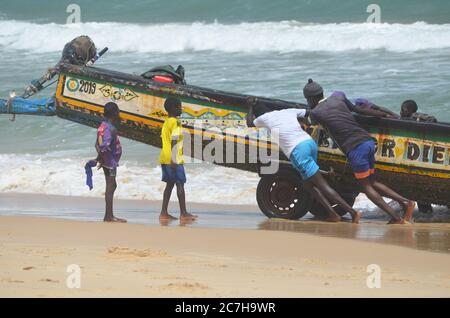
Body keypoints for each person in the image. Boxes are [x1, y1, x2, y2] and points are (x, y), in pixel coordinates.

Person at [304, 79, 415, 224]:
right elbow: (359, 110)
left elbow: (310, 121)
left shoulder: (316, 112)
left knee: (366, 188)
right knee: (372, 182)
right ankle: (406, 203)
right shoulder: (338, 96)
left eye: (307, 100)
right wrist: (383, 114)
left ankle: (397, 217)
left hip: (355, 149)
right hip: (367, 142)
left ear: (311, 98)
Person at [246, 96, 361, 223]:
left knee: (321, 185)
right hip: (309, 143)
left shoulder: (264, 118)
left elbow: (249, 123)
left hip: (298, 151)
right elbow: (308, 112)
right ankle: (333, 214)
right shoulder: (287, 111)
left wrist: (250, 106)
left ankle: (353, 212)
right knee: (308, 184)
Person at [159, 97, 197, 221]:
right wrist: (174, 158)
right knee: (180, 184)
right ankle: (183, 213)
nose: (181, 109)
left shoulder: (166, 122)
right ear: (173, 109)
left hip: (165, 157)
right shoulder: (175, 122)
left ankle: (164, 213)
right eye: (179, 106)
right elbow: (174, 140)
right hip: (174, 158)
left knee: (169, 185)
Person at [96, 102, 126, 223]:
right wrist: (101, 157)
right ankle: (108, 216)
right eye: (118, 111)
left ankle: (109, 215)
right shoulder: (111, 129)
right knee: (111, 186)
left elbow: (96, 144)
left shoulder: (102, 126)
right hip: (110, 161)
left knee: (112, 185)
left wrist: (100, 157)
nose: (119, 113)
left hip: (107, 160)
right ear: (114, 114)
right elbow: (104, 146)